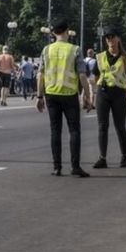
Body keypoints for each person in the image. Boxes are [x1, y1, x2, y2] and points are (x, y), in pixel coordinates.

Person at [35, 21, 92, 178]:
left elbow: (40, 74)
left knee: (55, 131)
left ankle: (57, 167)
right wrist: (87, 96)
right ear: (67, 31)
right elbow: (82, 75)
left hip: (51, 94)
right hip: (69, 94)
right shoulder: (75, 50)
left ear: (53, 33)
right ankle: (75, 166)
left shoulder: (46, 50)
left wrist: (39, 96)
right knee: (74, 130)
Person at [92, 28, 126, 169]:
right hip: (103, 94)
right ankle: (102, 158)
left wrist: (124, 87)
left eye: (112, 37)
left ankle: (124, 157)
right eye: (107, 38)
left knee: (120, 126)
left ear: (118, 39)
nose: (109, 40)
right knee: (102, 127)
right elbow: (96, 76)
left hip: (119, 94)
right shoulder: (100, 57)